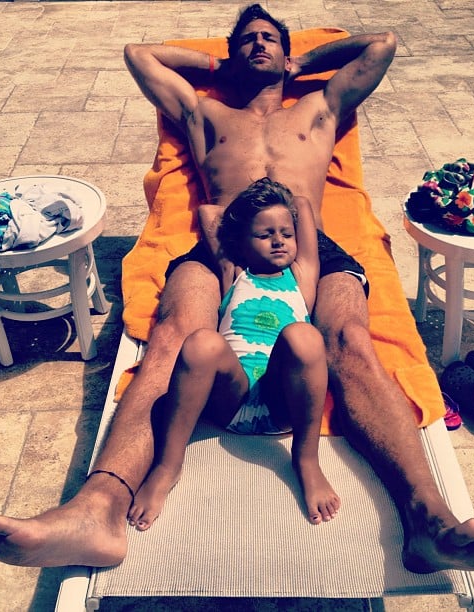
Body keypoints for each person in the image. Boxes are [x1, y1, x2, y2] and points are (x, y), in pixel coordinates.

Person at [0, 4, 474, 572]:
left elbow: (382, 44)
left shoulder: (319, 108)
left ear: (285, 51)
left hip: (308, 245)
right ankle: (98, 510)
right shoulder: (205, 113)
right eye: (246, 40)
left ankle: (427, 520)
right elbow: (138, 56)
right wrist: (214, 62)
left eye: (268, 39)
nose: (257, 45)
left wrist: (303, 60)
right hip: (221, 241)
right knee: (174, 338)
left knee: (348, 337)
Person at [128, 178, 339, 530]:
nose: (278, 241)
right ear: (242, 241)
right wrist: (244, 221)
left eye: (286, 233)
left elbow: (301, 205)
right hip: (230, 399)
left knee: (302, 335)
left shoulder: (302, 275)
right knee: (201, 341)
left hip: (283, 400)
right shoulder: (234, 272)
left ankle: (306, 460)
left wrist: (280, 199)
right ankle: (167, 466)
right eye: (265, 234)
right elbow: (209, 213)